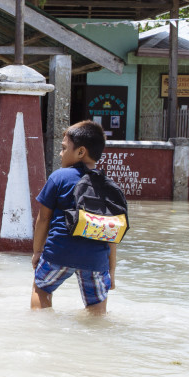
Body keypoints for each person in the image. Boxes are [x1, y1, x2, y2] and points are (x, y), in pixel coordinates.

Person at [31, 120, 118, 315]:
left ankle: (39, 333)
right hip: (96, 258)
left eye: (63, 148)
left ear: (80, 152)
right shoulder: (108, 185)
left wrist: (37, 251)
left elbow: (43, 219)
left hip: (60, 251)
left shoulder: (59, 177)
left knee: (41, 288)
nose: (60, 153)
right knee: (97, 308)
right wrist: (111, 271)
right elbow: (112, 232)